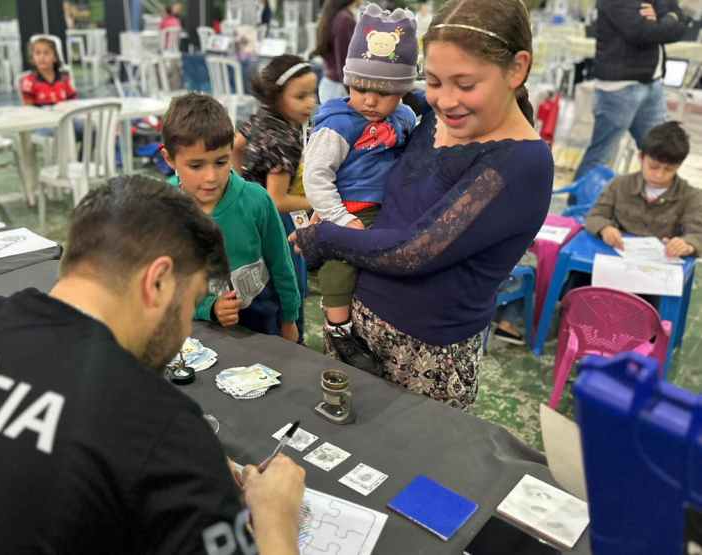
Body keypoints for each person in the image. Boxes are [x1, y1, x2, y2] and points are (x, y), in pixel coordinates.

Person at [0, 175, 307, 554]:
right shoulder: (158, 427)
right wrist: (275, 516)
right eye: (191, 302)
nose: (182, 339)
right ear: (157, 283)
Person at [291, 0, 553, 410]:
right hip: (355, 325)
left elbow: (415, 251)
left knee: (411, 466)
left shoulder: (522, 163)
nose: (446, 100)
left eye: (465, 85)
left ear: (517, 69)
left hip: (428, 357)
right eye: (433, 81)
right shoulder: (433, 115)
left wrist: (324, 236)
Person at [303, 4, 418, 370]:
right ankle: (339, 331)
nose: (370, 101)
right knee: (339, 269)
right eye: (360, 88)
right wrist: (337, 218)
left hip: (389, 211)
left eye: (383, 93)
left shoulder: (405, 118)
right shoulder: (338, 124)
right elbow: (315, 176)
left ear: (402, 91)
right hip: (348, 209)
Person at [161, 93, 301, 343]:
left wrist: (289, 319)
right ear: (169, 159)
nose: (211, 177)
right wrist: (209, 309)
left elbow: (282, 264)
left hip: (263, 326)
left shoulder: (257, 200)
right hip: (202, 335)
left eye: (221, 162)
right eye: (196, 166)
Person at [233, 54, 318, 342]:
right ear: (277, 96)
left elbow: (236, 144)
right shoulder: (284, 139)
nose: (311, 102)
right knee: (288, 286)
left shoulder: (262, 117)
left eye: (313, 93)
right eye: (301, 96)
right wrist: (316, 201)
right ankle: (294, 340)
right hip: (280, 223)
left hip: (252, 217)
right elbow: (277, 200)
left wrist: (240, 184)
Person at [572, 0, 686, 181]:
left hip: (652, 83)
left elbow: (681, 22)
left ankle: (655, 207)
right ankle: (579, 208)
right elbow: (645, 33)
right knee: (600, 157)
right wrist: (671, 17)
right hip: (620, 87)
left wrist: (666, 16)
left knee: (661, 154)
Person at [586, 121, 701, 257]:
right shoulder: (619, 185)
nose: (659, 175)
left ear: (679, 166)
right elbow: (596, 215)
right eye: (653, 166)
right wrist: (605, 229)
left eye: (669, 169)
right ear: (641, 157)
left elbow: (698, 233)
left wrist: (687, 244)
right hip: (616, 255)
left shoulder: (690, 197)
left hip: (661, 264)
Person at [314, 0, 363, 103]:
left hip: (330, 83)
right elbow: (343, 59)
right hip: (339, 87)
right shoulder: (345, 19)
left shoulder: (335, 15)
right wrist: (351, 90)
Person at [21, 38, 78, 107]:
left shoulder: (65, 80)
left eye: (46, 53)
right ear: (33, 58)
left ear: (55, 57)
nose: (42, 57)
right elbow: (28, 110)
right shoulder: (29, 81)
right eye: (38, 53)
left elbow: (73, 104)